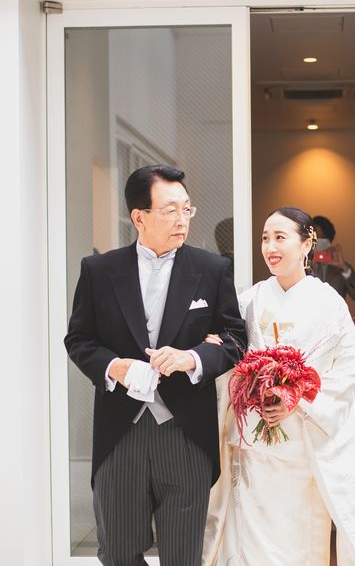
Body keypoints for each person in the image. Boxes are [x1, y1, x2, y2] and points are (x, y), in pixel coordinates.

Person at [64, 165, 247, 566]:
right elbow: (78, 339)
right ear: (139, 217)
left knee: (183, 556)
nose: (182, 219)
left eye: (186, 209)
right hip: (120, 433)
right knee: (118, 552)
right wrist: (115, 367)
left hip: (185, 433)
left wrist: (192, 358)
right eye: (169, 210)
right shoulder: (99, 271)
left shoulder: (212, 269)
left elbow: (235, 339)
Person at [203, 207, 355, 566]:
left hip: (303, 446)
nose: (270, 247)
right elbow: (231, 355)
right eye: (265, 238)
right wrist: (237, 371)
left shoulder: (329, 303)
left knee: (300, 542)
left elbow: (351, 366)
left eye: (280, 237)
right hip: (254, 447)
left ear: (307, 244)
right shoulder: (250, 300)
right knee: (249, 540)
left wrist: (297, 398)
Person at [311, 215, 355, 303]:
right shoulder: (300, 265)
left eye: (321, 238)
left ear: (328, 242)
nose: (317, 241)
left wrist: (344, 268)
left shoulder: (340, 268)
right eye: (313, 237)